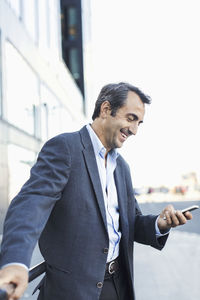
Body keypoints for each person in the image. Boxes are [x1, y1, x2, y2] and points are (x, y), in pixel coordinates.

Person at [0, 82, 192, 300]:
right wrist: (14, 262)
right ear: (106, 109)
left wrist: (160, 224)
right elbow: (30, 205)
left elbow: (131, 222)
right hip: (73, 291)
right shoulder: (65, 148)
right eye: (130, 118)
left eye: (139, 123)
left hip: (117, 286)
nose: (135, 130)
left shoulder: (122, 168)